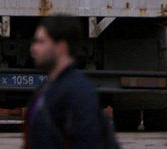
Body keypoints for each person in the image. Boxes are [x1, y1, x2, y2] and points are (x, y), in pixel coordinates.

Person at [25, 15, 112, 149]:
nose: (33, 48)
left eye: (41, 42)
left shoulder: (79, 94)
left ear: (61, 47)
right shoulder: (44, 91)